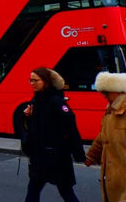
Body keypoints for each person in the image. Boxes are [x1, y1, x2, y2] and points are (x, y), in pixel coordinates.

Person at [20, 67, 84, 202]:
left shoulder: (56, 102)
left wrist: (79, 154)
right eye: (30, 80)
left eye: (35, 80)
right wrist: (28, 117)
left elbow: (71, 128)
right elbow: (36, 128)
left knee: (66, 192)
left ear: (46, 82)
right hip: (39, 157)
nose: (32, 83)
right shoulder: (35, 101)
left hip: (56, 157)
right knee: (33, 191)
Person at [85, 71, 126, 202]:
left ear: (120, 91)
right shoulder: (111, 110)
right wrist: (92, 155)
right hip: (115, 177)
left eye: (107, 92)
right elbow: (103, 136)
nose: (104, 95)